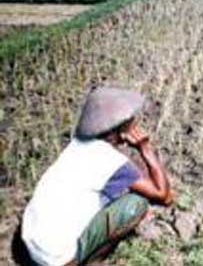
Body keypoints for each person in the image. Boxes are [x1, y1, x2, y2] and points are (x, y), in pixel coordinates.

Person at [21, 87, 175, 266]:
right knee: (136, 204)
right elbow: (164, 195)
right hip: (57, 258)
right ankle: (91, 261)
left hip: (33, 246)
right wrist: (145, 148)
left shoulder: (75, 145)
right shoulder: (109, 159)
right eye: (131, 121)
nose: (136, 123)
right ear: (119, 129)